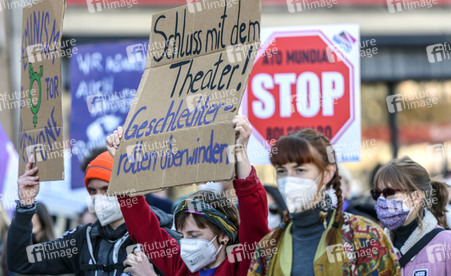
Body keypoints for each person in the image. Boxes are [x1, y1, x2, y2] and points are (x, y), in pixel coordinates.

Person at [106, 115, 270, 276]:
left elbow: (254, 218)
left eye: (194, 235)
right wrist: (123, 166)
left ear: (223, 236)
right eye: (182, 236)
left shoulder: (242, 264)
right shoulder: (180, 267)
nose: (186, 244)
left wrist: (240, 150)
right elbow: (144, 228)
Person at [248, 129, 400, 275]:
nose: (289, 180)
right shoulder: (268, 247)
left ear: (327, 173)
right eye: (281, 171)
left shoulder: (364, 236)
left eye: (300, 170)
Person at [7, 151, 176, 275]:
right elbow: (21, 260)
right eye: (93, 191)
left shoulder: (161, 239)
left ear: (127, 189)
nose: (99, 197)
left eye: (106, 189)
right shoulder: (80, 240)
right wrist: (25, 205)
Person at [372, 156, 451, 274]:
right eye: (377, 193)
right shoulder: (374, 248)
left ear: (416, 196)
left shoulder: (446, 243)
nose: (381, 200)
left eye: (389, 192)